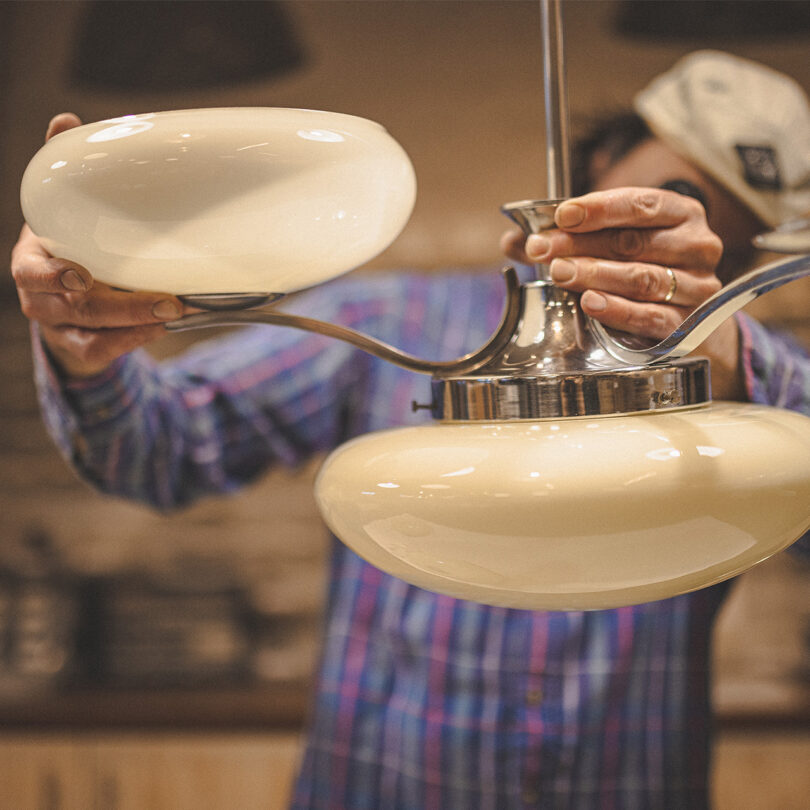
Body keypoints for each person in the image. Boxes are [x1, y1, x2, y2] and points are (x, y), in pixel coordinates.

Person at [10, 50, 810, 808]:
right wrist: (86, 348)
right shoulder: (390, 322)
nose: (686, 234)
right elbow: (156, 451)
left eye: (729, 243)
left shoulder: (745, 389)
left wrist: (722, 346)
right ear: (604, 161)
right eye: (675, 191)